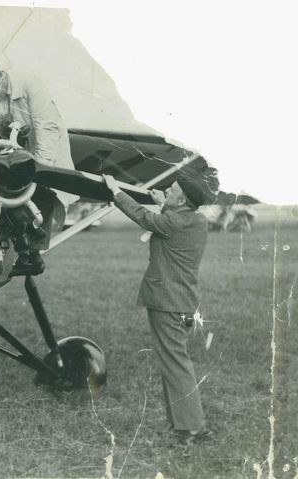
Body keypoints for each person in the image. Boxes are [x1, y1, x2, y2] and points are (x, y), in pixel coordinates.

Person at [102, 174, 212, 446]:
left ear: (181, 199)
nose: (165, 191)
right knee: (173, 363)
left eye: (170, 190)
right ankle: (182, 424)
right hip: (183, 301)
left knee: (176, 365)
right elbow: (171, 220)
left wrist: (116, 191)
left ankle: (194, 429)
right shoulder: (197, 221)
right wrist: (164, 204)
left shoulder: (172, 222)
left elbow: (144, 217)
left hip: (167, 303)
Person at [0, 61, 77, 274]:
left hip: (45, 148)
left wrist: (41, 167)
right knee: (12, 195)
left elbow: (45, 126)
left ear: (0, 77)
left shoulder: (31, 85)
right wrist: (3, 131)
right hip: (17, 152)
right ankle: (23, 253)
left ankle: (33, 255)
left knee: (42, 194)